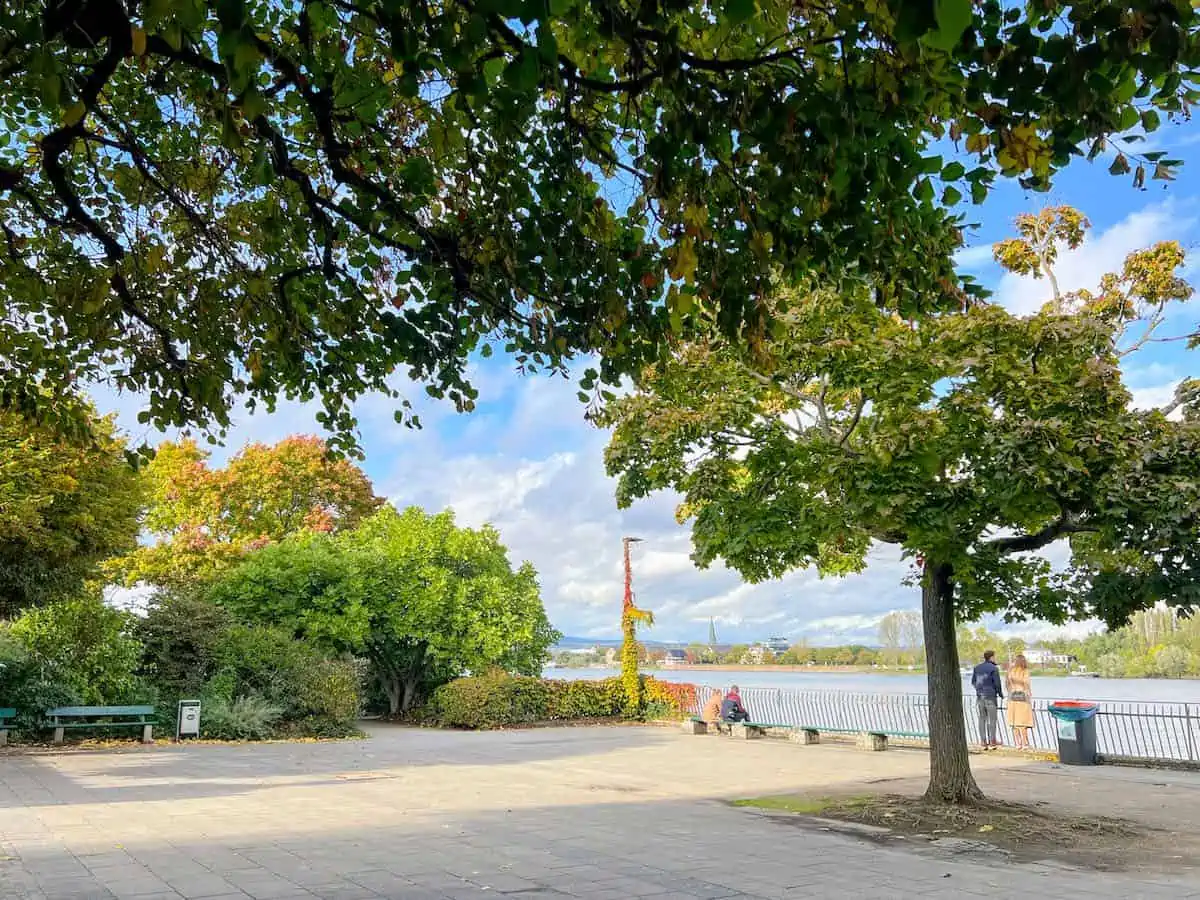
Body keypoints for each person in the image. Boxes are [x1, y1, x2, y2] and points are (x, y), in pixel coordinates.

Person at [972, 650, 1003, 749]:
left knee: (982, 719)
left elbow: (973, 682)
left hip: (980, 697)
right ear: (991, 657)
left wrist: (979, 689)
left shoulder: (977, 668)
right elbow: (997, 683)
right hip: (990, 696)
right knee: (992, 719)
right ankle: (992, 741)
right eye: (995, 657)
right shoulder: (994, 668)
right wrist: (1000, 693)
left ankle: (983, 741)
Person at [1005, 654, 1034, 750]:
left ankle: (1017, 743)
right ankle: (1025, 743)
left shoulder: (1010, 671)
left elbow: (1007, 684)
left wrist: (1010, 691)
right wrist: (1029, 693)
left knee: (1015, 722)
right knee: (1023, 722)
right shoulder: (1025, 671)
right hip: (1022, 697)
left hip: (1012, 697)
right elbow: (1026, 684)